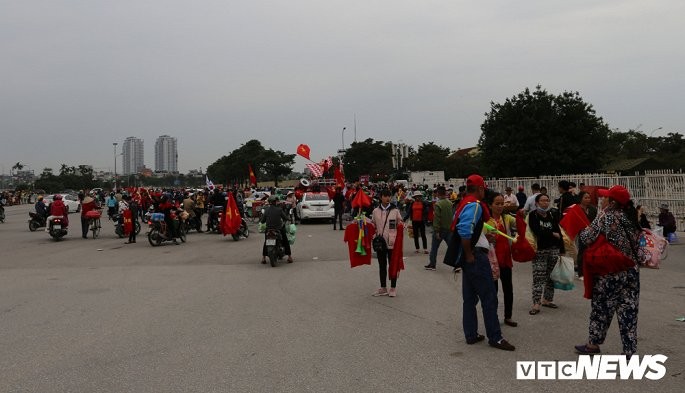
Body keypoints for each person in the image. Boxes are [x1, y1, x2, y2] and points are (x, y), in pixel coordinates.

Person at [575, 185, 642, 356]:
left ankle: (593, 345)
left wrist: (582, 228)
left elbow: (586, 237)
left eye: (605, 197)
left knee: (601, 309)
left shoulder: (606, 215)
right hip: (631, 271)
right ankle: (629, 351)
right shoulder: (632, 217)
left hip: (610, 271)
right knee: (629, 310)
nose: (602, 200)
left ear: (611, 201)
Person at [457, 175, 515, 351]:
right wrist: (469, 254)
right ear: (480, 189)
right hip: (475, 256)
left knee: (469, 298)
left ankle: (471, 334)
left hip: (471, 254)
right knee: (489, 298)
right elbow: (464, 230)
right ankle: (495, 338)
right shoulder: (474, 205)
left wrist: (483, 237)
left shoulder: (464, 203)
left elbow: (471, 230)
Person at [528, 193, 565, 315]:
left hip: (553, 249)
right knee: (538, 277)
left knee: (551, 276)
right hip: (540, 250)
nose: (545, 203)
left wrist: (562, 249)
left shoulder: (551, 214)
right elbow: (537, 231)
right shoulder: (533, 215)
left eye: (547, 200)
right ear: (537, 203)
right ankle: (536, 303)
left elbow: (558, 231)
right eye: (542, 201)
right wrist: (552, 234)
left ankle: (547, 300)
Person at [488, 193, 517, 327]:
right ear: (490, 205)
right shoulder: (486, 220)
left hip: (505, 259)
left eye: (502, 203)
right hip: (492, 260)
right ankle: (493, 317)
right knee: (493, 291)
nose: (500, 206)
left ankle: (508, 316)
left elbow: (520, 224)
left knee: (508, 289)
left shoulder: (507, 218)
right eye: (497, 203)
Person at [370, 189, 404, 297]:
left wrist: (402, 225)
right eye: (385, 196)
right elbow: (373, 225)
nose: (387, 198)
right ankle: (383, 287)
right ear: (381, 197)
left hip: (392, 242)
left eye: (389, 196)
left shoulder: (395, 210)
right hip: (380, 243)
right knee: (382, 265)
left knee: (393, 265)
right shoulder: (375, 211)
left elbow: (400, 223)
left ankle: (393, 287)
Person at [425, 186, 452, 271]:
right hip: (450, 229)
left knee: (434, 248)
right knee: (451, 248)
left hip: (440, 229)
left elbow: (436, 218)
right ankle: (457, 265)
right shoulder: (450, 203)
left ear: (438, 194)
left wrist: (436, 230)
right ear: (445, 193)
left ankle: (432, 264)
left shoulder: (438, 204)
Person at [260, 195, 293, 264]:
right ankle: (289, 257)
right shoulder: (279, 209)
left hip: (268, 230)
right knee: (285, 241)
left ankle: (263, 258)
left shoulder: (266, 210)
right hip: (279, 229)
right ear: (275, 202)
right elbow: (285, 218)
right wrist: (289, 219)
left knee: (266, 242)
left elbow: (262, 221)